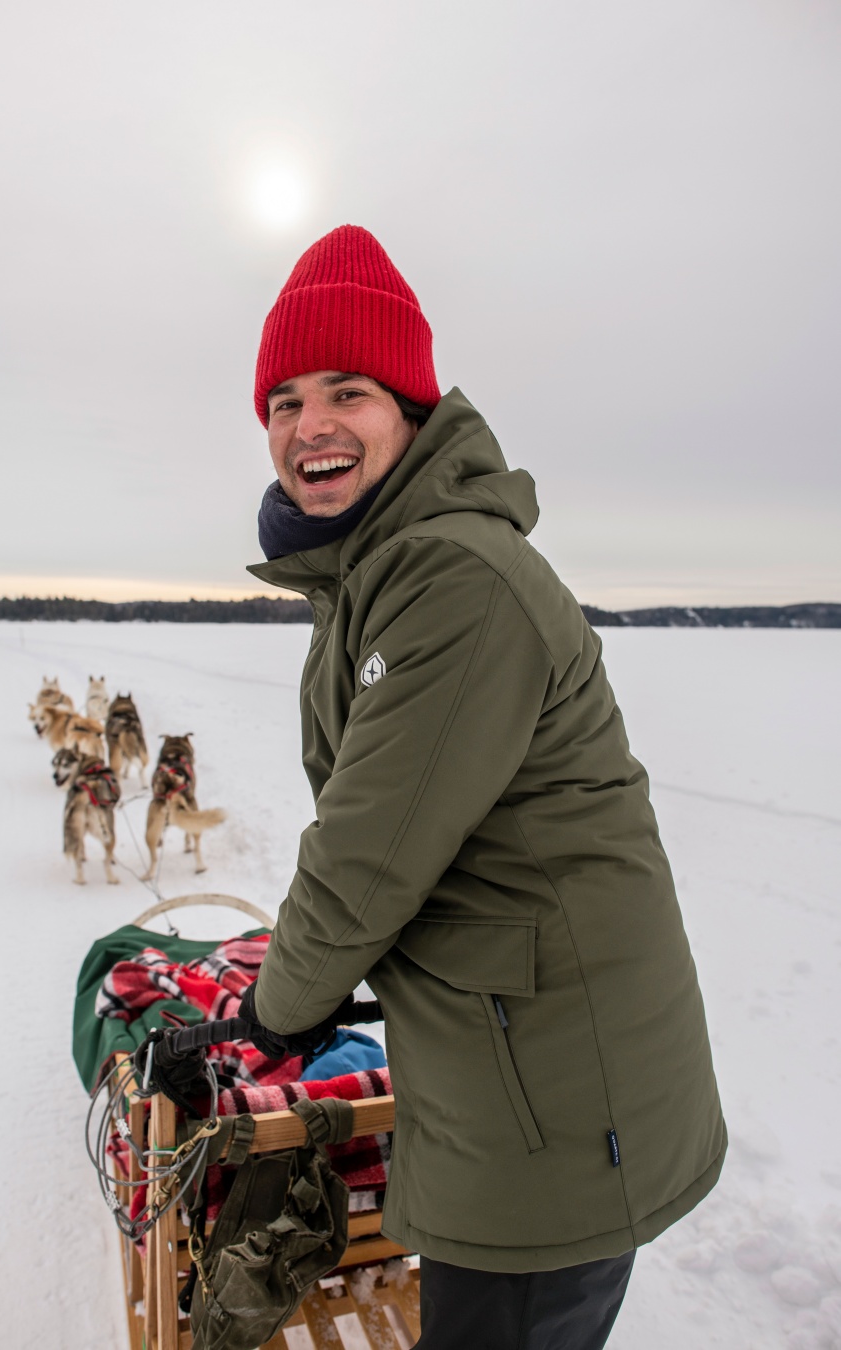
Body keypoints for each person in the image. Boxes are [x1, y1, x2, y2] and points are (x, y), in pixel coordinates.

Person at [239, 224, 726, 1349]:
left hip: (555, 1111)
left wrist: (277, 1011)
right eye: (284, 401)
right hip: (517, 1068)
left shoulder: (451, 575)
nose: (309, 426)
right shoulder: (379, 568)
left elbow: (367, 855)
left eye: (346, 391)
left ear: (408, 408)